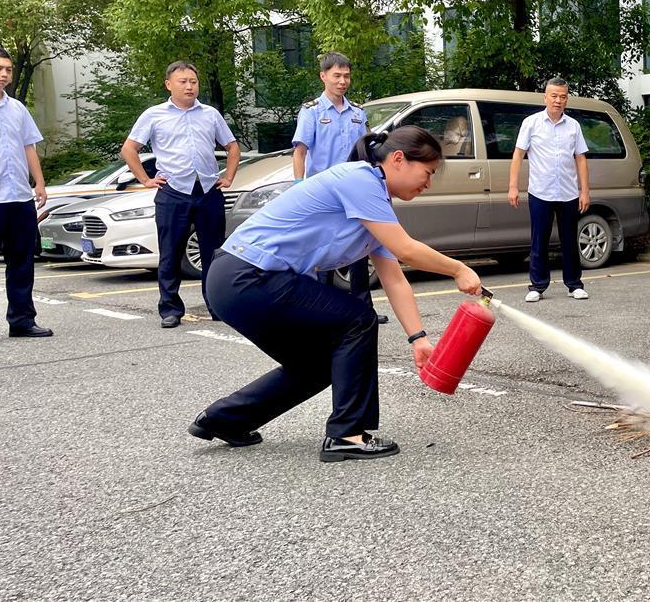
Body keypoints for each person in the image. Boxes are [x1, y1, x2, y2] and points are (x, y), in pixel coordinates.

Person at [189, 126, 483, 462]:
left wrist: (418, 339)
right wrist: (459, 269)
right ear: (399, 159)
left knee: (316, 366)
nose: (428, 183)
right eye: (427, 173)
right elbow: (407, 250)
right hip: (248, 275)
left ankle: (226, 420)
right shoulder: (360, 180)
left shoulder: (375, 204)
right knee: (357, 319)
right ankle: (347, 435)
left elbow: (394, 279)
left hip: (239, 283)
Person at [121, 61, 240, 328]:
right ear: (168, 84)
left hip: (208, 190)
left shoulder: (210, 114)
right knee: (170, 251)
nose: (189, 86)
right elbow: (129, 149)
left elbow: (232, 146)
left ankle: (216, 306)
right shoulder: (154, 115)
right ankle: (170, 309)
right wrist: (145, 179)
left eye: (193, 82)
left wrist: (229, 176)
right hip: (173, 191)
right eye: (183, 81)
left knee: (213, 252)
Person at [291, 51, 387, 323]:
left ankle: (362, 308)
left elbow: (367, 150)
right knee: (324, 248)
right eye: (337, 75)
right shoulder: (312, 111)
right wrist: (299, 185)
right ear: (323, 77)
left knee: (359, 247)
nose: (343, 81)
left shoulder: (358, 112)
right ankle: (322, 306)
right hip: (324, 193)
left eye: (346, 75)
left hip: (354, 189)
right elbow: (299, 152)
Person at [508, 77, 590, 302]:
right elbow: (518, 154)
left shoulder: (573, 126)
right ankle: (537, 285)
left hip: (568, 193)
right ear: (545, 97)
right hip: (540, 192)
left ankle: (574, 284)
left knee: (570, 240)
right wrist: (513, 187)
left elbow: (581, 158)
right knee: (539, 240)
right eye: (554, 96)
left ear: (567, 99)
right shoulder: (531, 123)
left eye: (562, 97)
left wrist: (585, 191)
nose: (558, 101)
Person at [0, 46, 53, 342]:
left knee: (22, 261)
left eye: (8, 69)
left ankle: (21, 320)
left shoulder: (17, 108)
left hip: (18, 196)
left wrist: (39, 182)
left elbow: (29, 146)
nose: (4, 74)